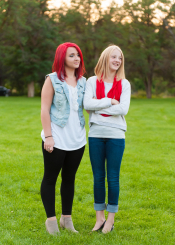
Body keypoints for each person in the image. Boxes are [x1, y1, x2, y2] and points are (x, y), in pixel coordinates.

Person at [84, 45, 131, 233]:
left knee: (112, 177)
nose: (117, 61)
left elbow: (123, 109)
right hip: (96, 134)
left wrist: (97, 106)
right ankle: (99, 219)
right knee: (98, 178)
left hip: (116, 135)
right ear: (105, 58)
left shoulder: (124, 84)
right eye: (114, 57)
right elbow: (87, 104)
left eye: (120, 58)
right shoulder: (92, 81)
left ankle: (110, 220)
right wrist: (110, 101)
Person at [40, 42, 86, 235]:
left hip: (78, 139)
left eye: (78, 55)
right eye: (71, 55)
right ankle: (51, 221)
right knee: (50, 178)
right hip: (57, 137)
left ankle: (66, 219)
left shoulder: (84, 81)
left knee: (69, 179)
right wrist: (48, 136)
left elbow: (90, 105)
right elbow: (44, 108)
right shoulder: (52, 80)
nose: (76, 59)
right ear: (62, 58)